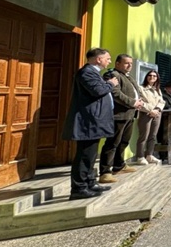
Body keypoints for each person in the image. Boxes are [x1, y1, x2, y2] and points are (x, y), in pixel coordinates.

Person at [62, 48, 117, 199]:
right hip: (88, 121)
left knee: (91, 155)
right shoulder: (86, 73)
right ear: (98, 59)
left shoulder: (94, 73)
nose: (109, 61)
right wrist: (110, 84)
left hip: (94, 121)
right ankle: (79, 188)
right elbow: (98, 90)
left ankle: (90, 182)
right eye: (107, 58)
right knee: (85, 156)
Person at [99, 54, 143, 183]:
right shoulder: (112, 75)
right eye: (126, 63)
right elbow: (115, 93)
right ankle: (105, 172)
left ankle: (119, 165)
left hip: (130, 114)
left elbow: (135, 92)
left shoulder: (128, 76)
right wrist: (133, 102)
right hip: (118, 115)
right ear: (117, 63)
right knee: (112, 143)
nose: (129, 65)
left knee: (124, 141)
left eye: (131, 63)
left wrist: (139, 102)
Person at [135, 71, 165, 165]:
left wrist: (157, 109)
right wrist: (151, 110)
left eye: (154, 76)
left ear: (157, 78)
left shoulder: (157, 89)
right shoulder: (141, 88)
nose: (152, 77)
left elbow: (162, 101)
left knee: (153, 136)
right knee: (143, 136)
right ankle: (140, 156)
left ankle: (149, 155)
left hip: (157, 114)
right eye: (150, 75)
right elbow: (140, 101)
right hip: (145, 114)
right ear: (146, 77)